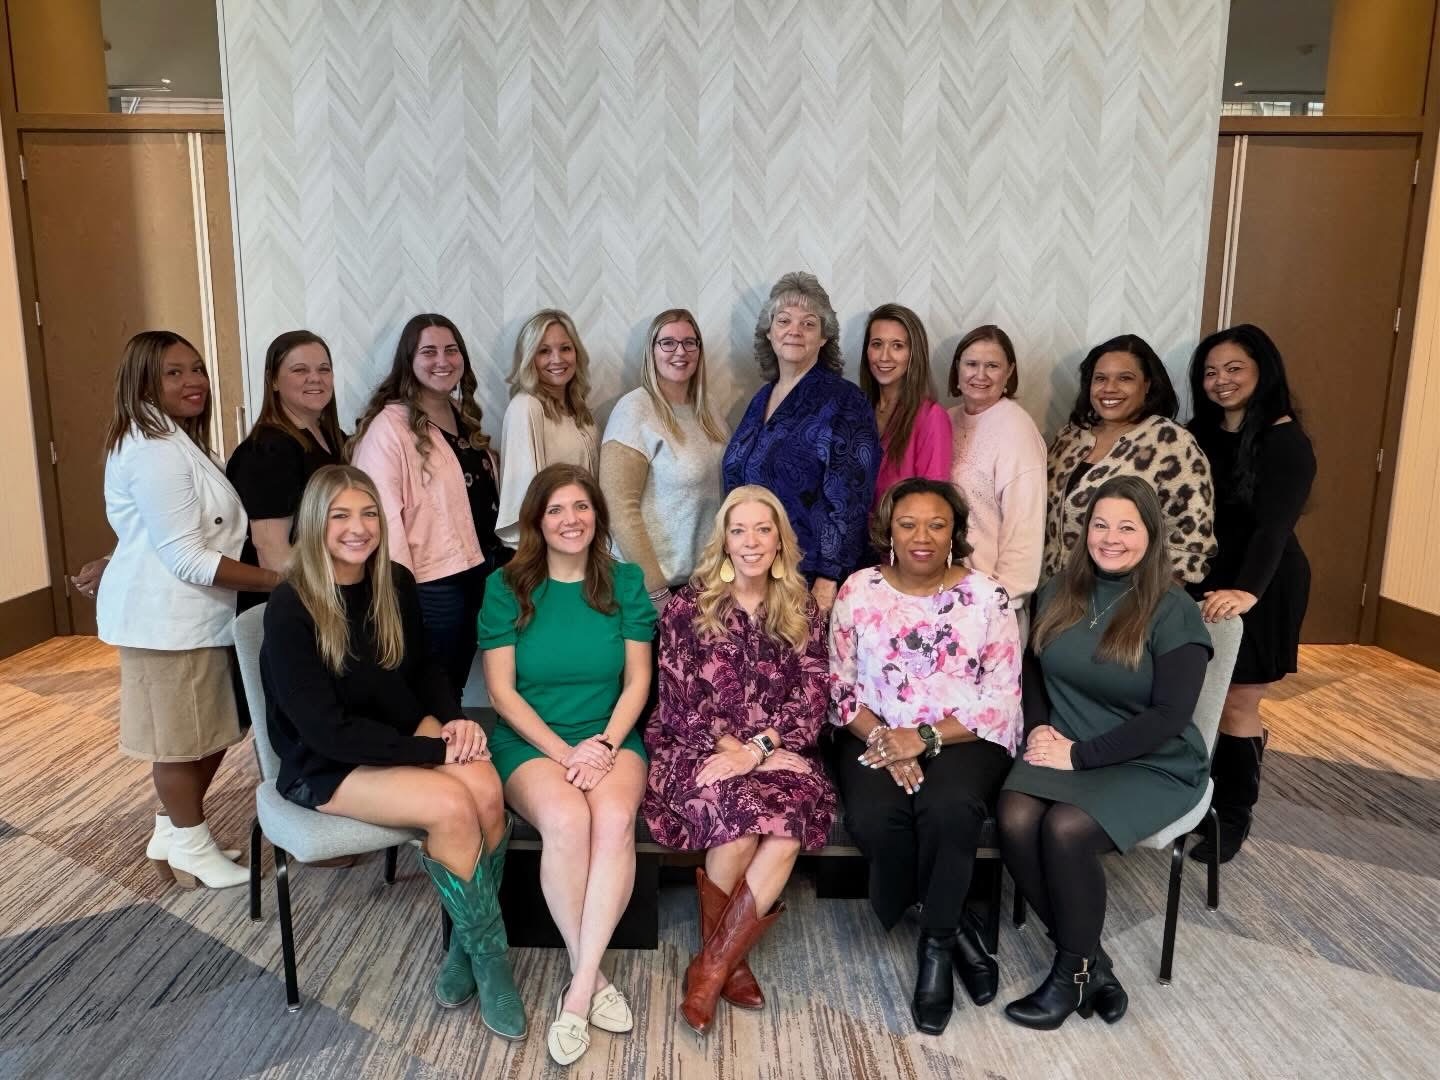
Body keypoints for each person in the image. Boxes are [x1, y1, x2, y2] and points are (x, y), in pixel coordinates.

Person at [260, 465, 524, 1040]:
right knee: (452, 807)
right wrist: (432, 751)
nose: (358, 528)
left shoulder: (394, 581)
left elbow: (424, 668)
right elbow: (327, 733)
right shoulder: (290, 607)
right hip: (327, 760)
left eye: (368, 514)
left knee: (486, 788)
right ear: (315, 523)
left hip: (398, 728)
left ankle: (466, 946)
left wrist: (454, 722)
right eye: (340, 516)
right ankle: (494, 961)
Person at [999, 475, 1213, 1030]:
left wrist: (1080, 757)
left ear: (1151, 534)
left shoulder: (1173, 610)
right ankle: (1092, 964)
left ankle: (1070, 975)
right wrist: (1039, 729)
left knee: (1065, 830)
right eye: (1100, 525)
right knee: (1015, 818)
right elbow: (1032, 667)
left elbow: (1169, 716)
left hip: (1151, 759)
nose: (1111, 538)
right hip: (1064, 740)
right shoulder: (1059, 590)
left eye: (1126, 527)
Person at [828, 478, 1022, 1036]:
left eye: (937, 525)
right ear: (888, 530)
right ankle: (956, 926)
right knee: (874, 817)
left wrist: (924, 738)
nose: (922, 536)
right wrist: (886, 740)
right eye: (908, 524)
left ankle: (935, 946)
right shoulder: (858, 590)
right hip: (873, 731)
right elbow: (838, 688)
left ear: (955, 532)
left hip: (966, 736)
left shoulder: (987, 596)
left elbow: (1002, 696)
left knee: (949, 808)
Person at [477, 464, 655, 1067]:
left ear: (597, 517)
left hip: (610, 735)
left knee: (614, 821)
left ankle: (577, 991)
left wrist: (602, 745)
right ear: (536, 521)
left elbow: (638, 682)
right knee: (566, 820)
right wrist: (564, 753)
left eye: (581, 507)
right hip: (531, 742)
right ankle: (593, 978)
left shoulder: (625, 582)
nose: (570, 520)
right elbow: (501, 693)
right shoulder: (505, 587)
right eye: (555, 509)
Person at [642, 485, 834, 1036]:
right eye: (739, 530)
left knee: (786, 827)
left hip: (780, 752)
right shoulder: (689, 606)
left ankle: (710, 967)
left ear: (780, 541)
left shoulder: (802, 608)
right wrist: (739, 752)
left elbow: (812, 696)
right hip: (695, 750)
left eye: (763, 530)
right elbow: (678, 702)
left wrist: (759, 751)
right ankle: (729, 961)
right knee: (741, 822)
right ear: (724, 540)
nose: (751, 542)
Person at [97, 330, 279, 889]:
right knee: (180, 743)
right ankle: (191, 846)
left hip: (196, 616)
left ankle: (172, 832)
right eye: (173, 373)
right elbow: (186, 556)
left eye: (196, 369)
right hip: (169, 622)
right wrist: (279, 582)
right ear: (143, 382)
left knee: (210, 731)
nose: (193, 381)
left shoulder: (175, 440)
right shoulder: (153, 450)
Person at [1186, 324, 1316, 863]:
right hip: (1206, 582)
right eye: (1210, 372)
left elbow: (1273, 529)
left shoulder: (1286, 441)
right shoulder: (1198, 433)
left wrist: (1246, 592)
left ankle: (1233, 816)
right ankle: (1204, 795)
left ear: (1264, 370)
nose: (1221, 380)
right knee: (1202, 697)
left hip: (1261, 584)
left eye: (1234, 368)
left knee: (1237, 699)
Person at [350, 314, 507, 701]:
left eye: (451, 350)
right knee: (430, 686)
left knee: (453, 683)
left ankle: (450, 737)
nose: (442, 360)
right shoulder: (390, 427)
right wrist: (399, 594)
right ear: (409, 360)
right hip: (429, 583)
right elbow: (382, 517)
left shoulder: (462, 418)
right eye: (429, 352)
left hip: (477, 571)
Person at [722, 272, 880, 613]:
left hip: (809, 578)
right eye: (784, 320)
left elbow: (851, 497)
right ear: (769, 332)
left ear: (824, 338)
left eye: (808, 323)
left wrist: (828, 576)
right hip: (755, 570)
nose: (794, 330)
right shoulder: (760, 398)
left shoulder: (845, 401)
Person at [1043, 334, 1215, 585]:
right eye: (1100, 378)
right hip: (1053, 592)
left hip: (1126, 595)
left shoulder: (1170, 442)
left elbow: (1191, 536)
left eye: (1125, 378)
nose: (1109, 388)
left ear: (1147, 385)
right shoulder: (1069, 438)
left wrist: (1151, 599)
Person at [599, 308, 728, 613]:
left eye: (689, 342)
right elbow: (619, 508)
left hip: (702, 584)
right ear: (652, 351)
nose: (680, 352)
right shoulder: (635, 409)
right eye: (668, 343)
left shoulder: (708, 408)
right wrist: (657, 594)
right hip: (651, 589)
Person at [227, 330, 346, 613]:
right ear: (273, 381)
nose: (315, 378)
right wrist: (318, 609)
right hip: (296, 605)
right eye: (300, 370)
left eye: (323, 369)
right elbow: (272, 552)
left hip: (327, 590)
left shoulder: (332, 438)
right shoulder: (267, 450)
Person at [948, 325, 1047, 615]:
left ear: (1009, 372)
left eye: (992, 366)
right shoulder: (946, 419)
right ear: (957, 368)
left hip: (991, 599)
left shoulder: (1016, 428)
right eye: (971, 364)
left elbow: (1025, 527)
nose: (980, 375)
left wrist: (1002, 600)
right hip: (946, 592)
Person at [495, 309, 599, 547]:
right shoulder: (527, 407)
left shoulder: (578, 408)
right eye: (544, 351)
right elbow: (525, 497)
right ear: (529, 358)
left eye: (565, 348)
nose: (557, 359)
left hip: (581, 539)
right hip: (550, 548)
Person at [859, 303, 952, 508]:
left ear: (913, 354)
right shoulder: (856, 410)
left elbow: (932, 504)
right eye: (877, 344)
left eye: (897, 346)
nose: (884, 356)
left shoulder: (932, 417)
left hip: (899, 529)